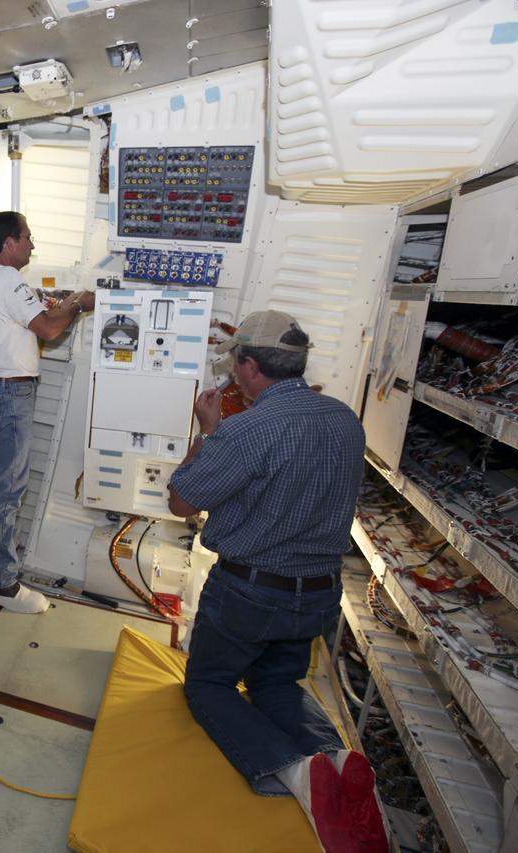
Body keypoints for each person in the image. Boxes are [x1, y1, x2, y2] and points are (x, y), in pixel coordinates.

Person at [166, 310, 387, 852]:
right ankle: (336, 759)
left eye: (236, 363)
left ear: (248, 366)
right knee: (274, 684)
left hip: (250, 593)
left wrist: (209, 433)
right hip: (317, 596)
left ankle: (292, 772)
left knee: (209, 686)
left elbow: (182, 500)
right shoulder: (344, 419)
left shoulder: (245, 430)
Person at [0, 211, 96, 614]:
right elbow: (48, 330)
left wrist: (58, 306)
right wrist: (78, 305)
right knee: (9, 487)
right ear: (10, 243)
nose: (33, 244)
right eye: (28, 237)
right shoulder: (8, 281)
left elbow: (36, 319)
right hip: (11, 395)